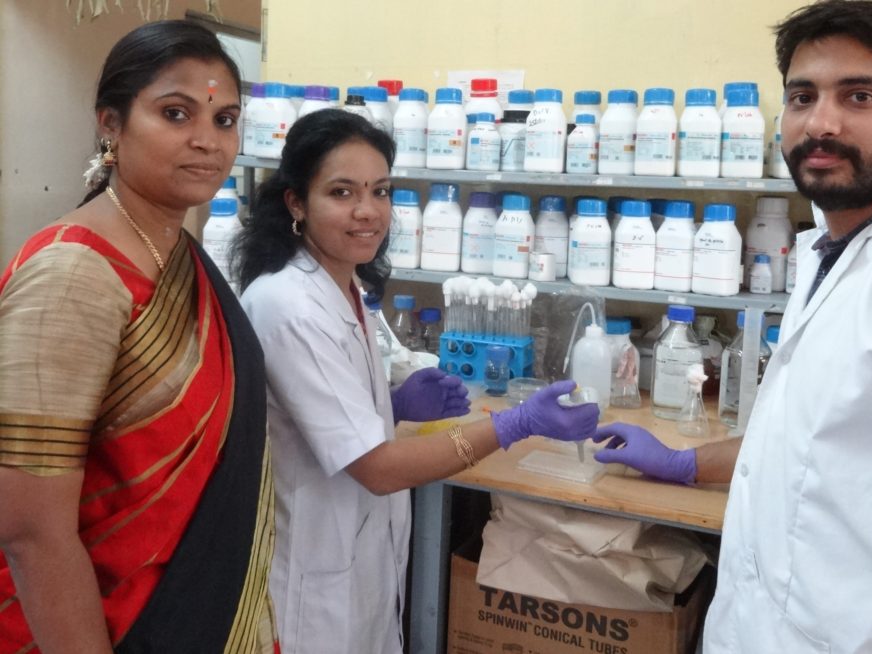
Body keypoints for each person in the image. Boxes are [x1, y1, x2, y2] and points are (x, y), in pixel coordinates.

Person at [593, 2, 872, 652]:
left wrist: (863, 599)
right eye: (803, 96)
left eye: (859, 95)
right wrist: (682, 462)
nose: (821, 122)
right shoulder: (832, 245)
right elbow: (810, 447)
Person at [234, 108, 599, 654]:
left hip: (358, 561)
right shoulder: (288, 304)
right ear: (295, 202)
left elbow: (321, 411)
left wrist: (392, 405)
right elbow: (379, 470)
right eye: (341, 192)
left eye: (380, 191)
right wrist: (515, 424)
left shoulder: (341, 284)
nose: (368, 212)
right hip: (310, 584)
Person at [0, 21, 277, 653]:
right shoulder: (74, 275)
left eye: (226, 119)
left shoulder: (179, 252)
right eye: (176, 113)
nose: (207, 141)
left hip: (199, 605)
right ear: (111, 124)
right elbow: (28, 529)